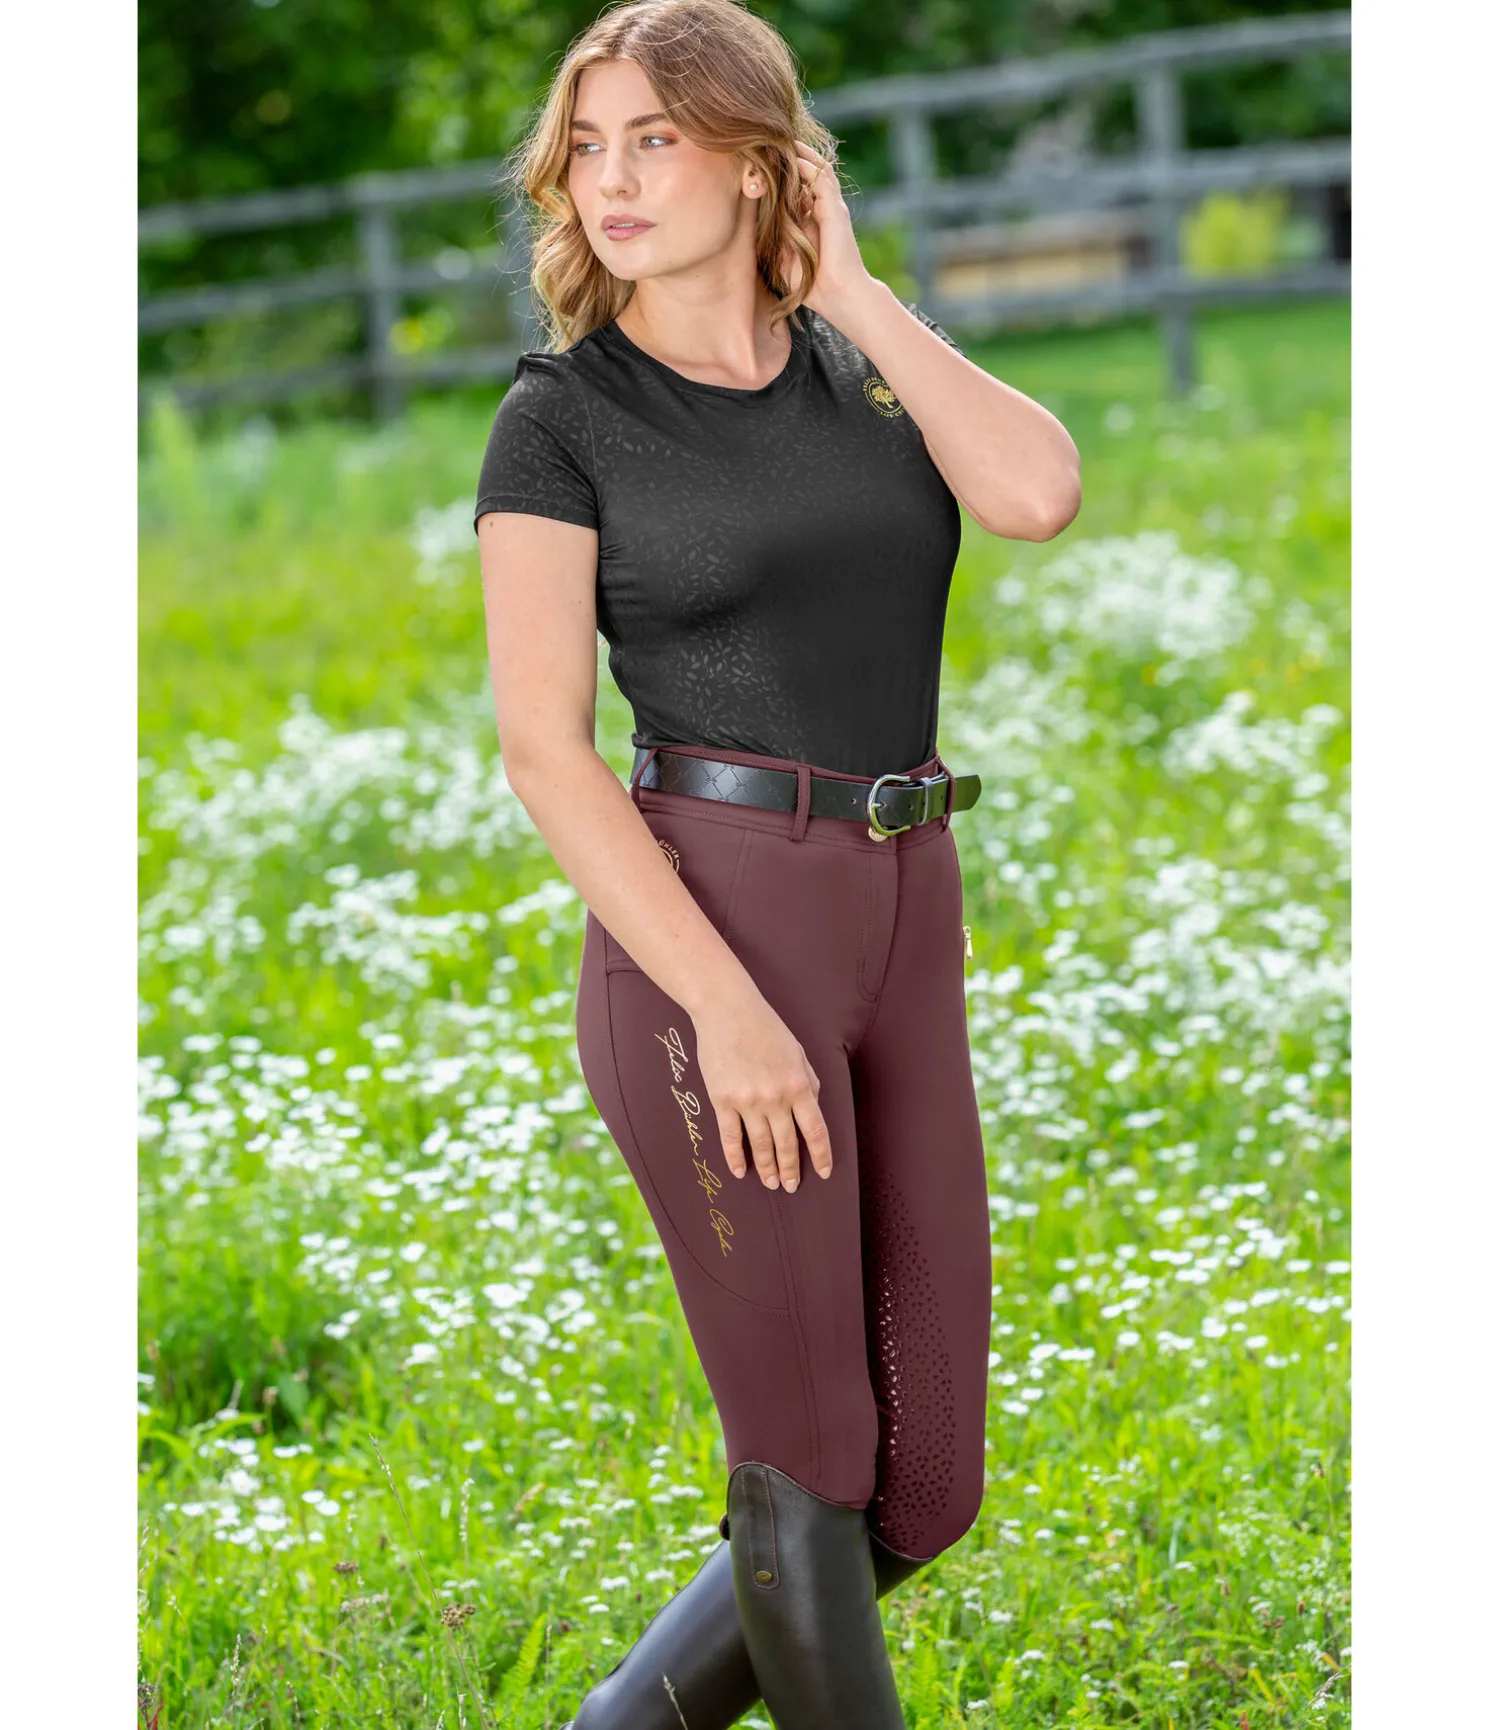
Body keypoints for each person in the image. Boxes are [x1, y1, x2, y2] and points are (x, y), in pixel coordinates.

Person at [472, 3, 1081, 1724]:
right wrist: (725, 1009)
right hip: (712, 929)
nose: (610, 181)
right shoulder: (561, 419)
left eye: (654, 139)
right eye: (587, 148)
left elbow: (1036, 493)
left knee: (923, 1478)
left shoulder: (862, 376)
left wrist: (856, 295)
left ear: (758, 162)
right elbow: (544, 749)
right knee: (806, 1460)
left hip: (904, 908)